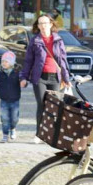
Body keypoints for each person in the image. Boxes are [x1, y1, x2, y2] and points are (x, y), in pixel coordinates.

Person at [20, 14, 71, 142]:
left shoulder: (58, 40)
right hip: (40, 77)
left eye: (45, 23)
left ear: (51, 24)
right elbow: (28, 61)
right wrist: (24, 77)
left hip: (55, 78)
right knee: (42, 105)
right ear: (38, 26)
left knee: (55, 106)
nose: (43, 26)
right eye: (40, 23)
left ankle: (53, 134)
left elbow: (63, 60)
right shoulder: (35, 40)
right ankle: (40, 134)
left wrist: (66, 78)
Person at [0, 51, 21, 142]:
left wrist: (24, 82)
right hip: (4, 99)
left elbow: (23, 81)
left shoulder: (17, 73)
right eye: (3, 61)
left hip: (15, 99)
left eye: (6, 61)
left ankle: (13, 128)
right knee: (4, 118)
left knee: (14, 118)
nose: (4, 63)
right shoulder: (0, 73)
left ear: (12, 63)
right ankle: (5, 134)